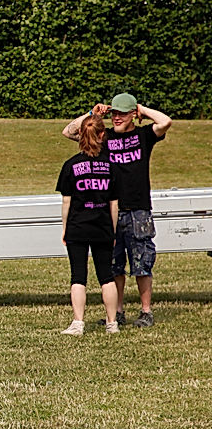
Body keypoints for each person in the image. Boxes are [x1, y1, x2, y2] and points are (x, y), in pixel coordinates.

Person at [63, 94, 171, 327]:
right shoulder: (105, 136)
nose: (117, 118)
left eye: (123, 113)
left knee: (142, 263)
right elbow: (69, 132)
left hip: (138, 209)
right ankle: (118, 312)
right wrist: (93, 114)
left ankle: (145, 311)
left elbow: (165, 122)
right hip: (110, 210)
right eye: (114, 114)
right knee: (115, 265)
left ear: (133, 114)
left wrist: (143, 109)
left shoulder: (143, 135)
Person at [57, 115, 120, 336]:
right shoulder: (111, 166)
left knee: (78, 276)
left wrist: (65, 228)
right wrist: (112, 231)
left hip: (77, 226)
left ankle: (78, 323)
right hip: (103, 226)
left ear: (80, 136)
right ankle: (112, 324)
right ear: (103, 135)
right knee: (106, 276)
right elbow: (114, 204)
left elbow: (67, 202)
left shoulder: (71, 165)